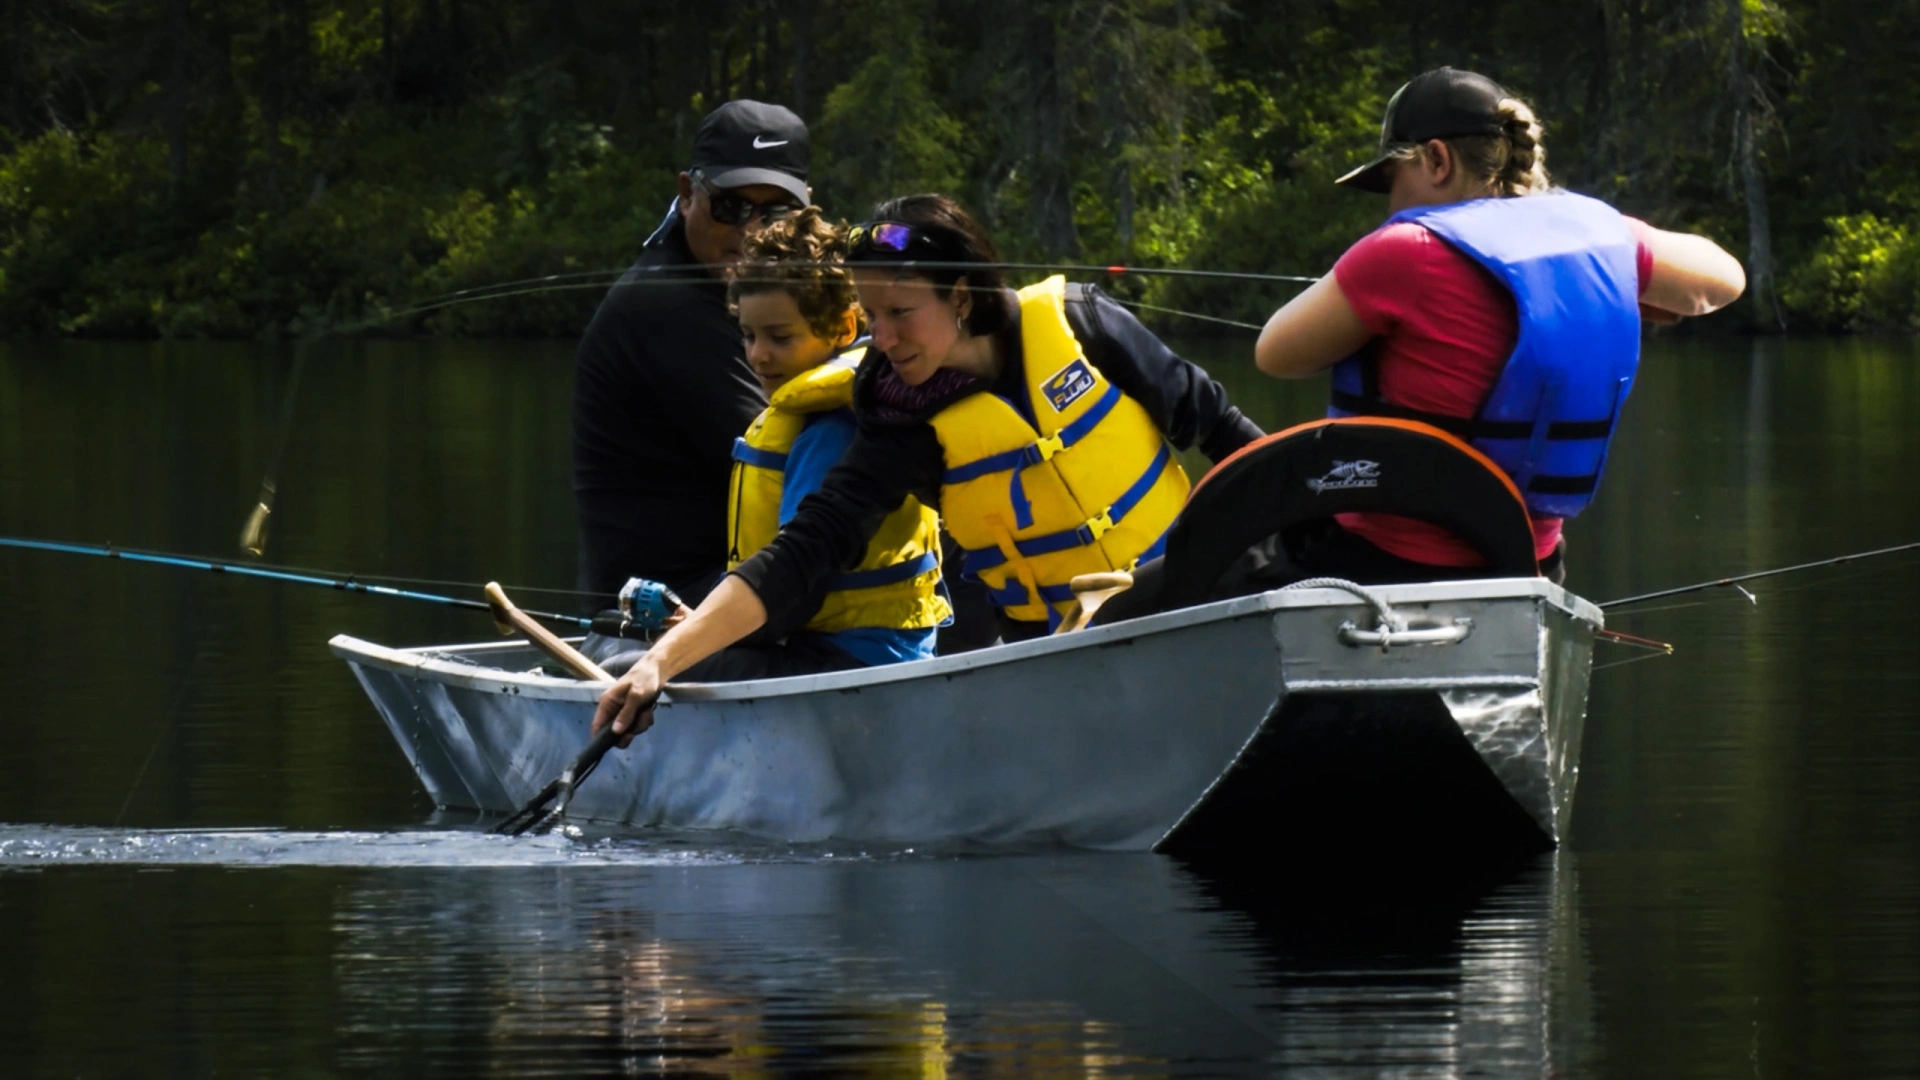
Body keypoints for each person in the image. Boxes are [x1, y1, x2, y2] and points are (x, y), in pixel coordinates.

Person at [592, 193, 1264, 737]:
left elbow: (1229, 435)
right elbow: (805, 549)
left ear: (962, 298)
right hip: (1062, 662)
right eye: (870, 315)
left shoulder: (1085, 325)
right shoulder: (901, 417)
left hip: (1194, 605)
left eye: (900, 313)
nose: (879, 339)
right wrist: (661, 663)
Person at [1249, 67, 1746, 585]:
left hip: (1381, 562)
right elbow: (1724, 278)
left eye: (1392, 183)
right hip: (1532, 564)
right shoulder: (1595, 235)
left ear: (1436, 161)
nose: (1391, 207)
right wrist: (1614, 274)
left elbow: (1275, 354)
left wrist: (1355, 268)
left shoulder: (1401, 253)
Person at [672, 207, 951, 680]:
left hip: (850, 662)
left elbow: (796, 585)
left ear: (844, 328)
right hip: (862, 649)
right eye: (748, 335)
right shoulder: (825, 413)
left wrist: (701, 633)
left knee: (627, 668)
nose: (758, 354)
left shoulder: (831, 432)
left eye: (780, 337)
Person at [571, 99, 811, 608]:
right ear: (687, 194)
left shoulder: (770, 299)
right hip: (657, 615)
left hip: (741, 584)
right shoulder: (666, 305)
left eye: (776, 212)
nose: (751, 231)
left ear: (806, 210)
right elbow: (783, 459)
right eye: (732, 207)